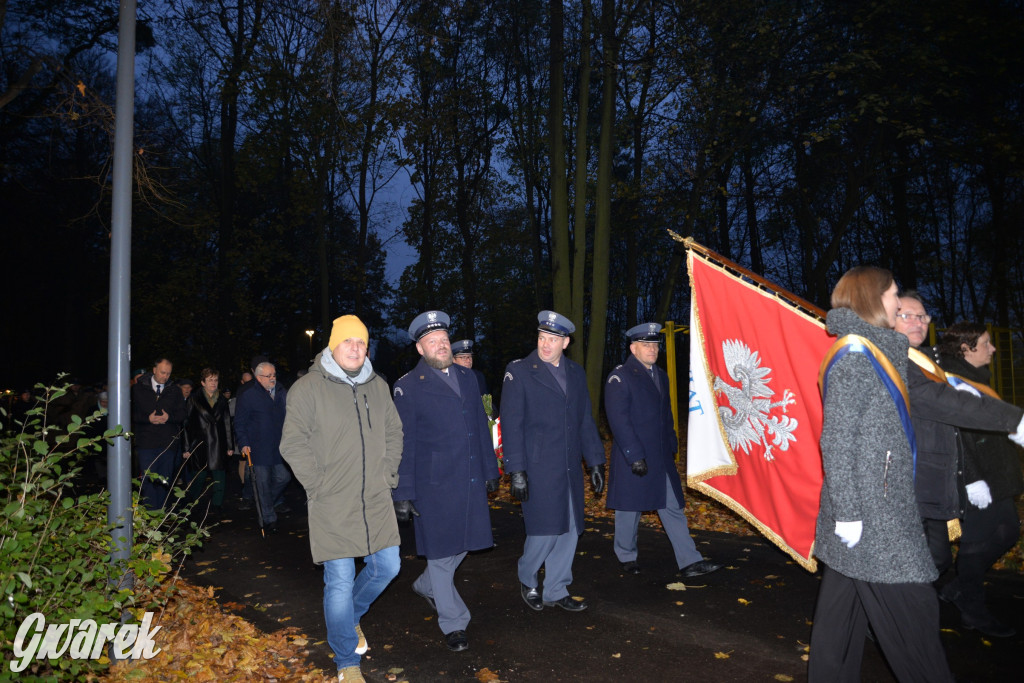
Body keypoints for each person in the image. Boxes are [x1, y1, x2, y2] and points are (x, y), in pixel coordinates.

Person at [809, 267, 953, 682]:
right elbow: (836, 442)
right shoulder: (857, 356)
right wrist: (849, 513)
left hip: (874, 509)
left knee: (840, 625)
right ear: (873, 299)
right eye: (892, 295)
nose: (898, 302)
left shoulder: (877, 349)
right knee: (916, 621)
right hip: (874, 519)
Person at [280, 314, 403, 682]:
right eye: (348, 341)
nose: (355, 347)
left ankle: (349, 618)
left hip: (376, 498)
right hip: (332, 500)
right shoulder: (308, 388)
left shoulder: (378, 386)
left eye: (361, 342)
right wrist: (317, 485)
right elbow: (292, 442)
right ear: (333, 345)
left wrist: (388, 473)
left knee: (388, 566)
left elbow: (394, 431)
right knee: (340, 579)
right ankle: (347, 661)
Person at [894, 292, 1023, 579]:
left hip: (937, 481)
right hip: (913, 480)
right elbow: (954, 416)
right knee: (930, 563)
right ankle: (956, 601)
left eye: (923, 316)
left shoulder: (929, 363)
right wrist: (973, 476)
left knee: (936, 561)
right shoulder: (904, 365)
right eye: (907, 316)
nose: (919, 322)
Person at [392, 312, 500, 652]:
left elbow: (481, 430)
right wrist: (403, 491)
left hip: (468, 479)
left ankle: (427, 585)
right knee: (440, 554)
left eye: (443, 339)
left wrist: (490, 471)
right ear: (420, 348)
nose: (440, 345)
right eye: (432, 342)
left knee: (466, 542)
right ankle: (454, 623)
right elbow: (404, 443)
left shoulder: (468, 378)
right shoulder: (407, 386)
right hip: (433, 485)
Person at [500, 310, 606, 612]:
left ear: (566, 342)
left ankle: (556, 589)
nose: (545, 345)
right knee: (545, 529)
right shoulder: (519, 371)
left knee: (570, 528)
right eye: (542, 338)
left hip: (570, 465)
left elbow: (584, 419)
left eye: (553, 339)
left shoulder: (575, 372)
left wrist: (595, 460)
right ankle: (527, 576)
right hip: (537, 466)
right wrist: (516, 469)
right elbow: (511, 423)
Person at [605, 322, 722, 579]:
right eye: (646, 345)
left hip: (660, 457)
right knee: (629, 509)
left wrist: (671, 444)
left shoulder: (660, 375)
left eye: (655, 345)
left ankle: (689, 561)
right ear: (633, 348)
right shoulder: (620, 376)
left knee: (672, 507)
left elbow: (665, 415)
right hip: (633, 456)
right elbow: (619, 421)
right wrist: (634, 456)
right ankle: (626, 555)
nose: (652, 349)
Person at [936, 323, 1024, 638]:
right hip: (976, 478)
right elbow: (955, 432)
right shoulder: (952, 381)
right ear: (966, 349)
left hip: (995, 470)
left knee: (1008, 532)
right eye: (986, 343)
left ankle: (958, 588)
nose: (994, 348)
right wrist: (972, 479)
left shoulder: (973, 378)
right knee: (976, 543)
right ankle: (973, 611)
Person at [234, 361, 290, 532]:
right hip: (258, 448)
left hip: (280, 447)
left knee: (284, 477)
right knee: (263, 483)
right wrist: (243, 443)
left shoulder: (281, 392)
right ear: (258, 378)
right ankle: (269, 518)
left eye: (274, 375)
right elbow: (240, 423)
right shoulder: (249, 395)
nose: (273, 378)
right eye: (269, 376)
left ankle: (266, 504)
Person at [131, 358, 187, 510]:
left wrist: (170, 417)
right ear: (154, 370)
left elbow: (182, 414)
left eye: (168, 373)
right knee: (148, 480)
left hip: (167, 443)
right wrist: (147, 419)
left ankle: (160, 513)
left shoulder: (175, 390)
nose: (165, 376)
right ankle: (150, 514)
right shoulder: (138, 389)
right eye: (162, 372)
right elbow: (130, 414)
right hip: (146, 443)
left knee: (164, 481)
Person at [182, 368, 235, 511]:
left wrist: (230, 446)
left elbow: (227, 423)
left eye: (215, 380)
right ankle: (191, 504)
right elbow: (186, 424)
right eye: (210, 380)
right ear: (202, 382)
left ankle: (217, 506)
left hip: (218, 443)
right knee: (198, 477)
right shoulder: (194, 399)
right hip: (200, 443)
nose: (213, 383)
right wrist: (186, 448)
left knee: (219, 477)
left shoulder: (223, 400)